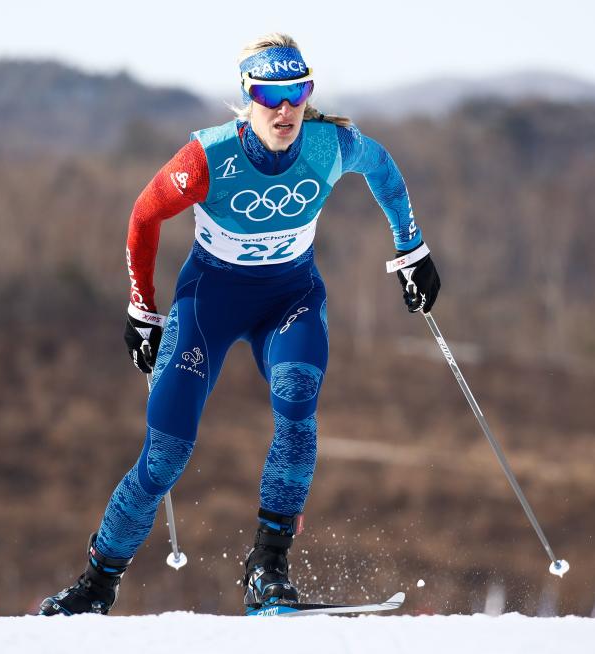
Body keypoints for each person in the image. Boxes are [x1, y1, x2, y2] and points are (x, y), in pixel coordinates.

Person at [39, 32, 440, 616]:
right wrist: (141, 308)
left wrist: (413, 250)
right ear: (249, 95)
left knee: (298, 401)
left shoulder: (330, 145)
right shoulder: (208, 157)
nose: (285, 109)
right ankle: (97, 584)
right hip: (210, 302)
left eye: (297, 93)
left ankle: (268, 567)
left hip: (291, 298)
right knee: (165, 454)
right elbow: (145, 215)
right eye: (270, 94)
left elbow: (382, 169)